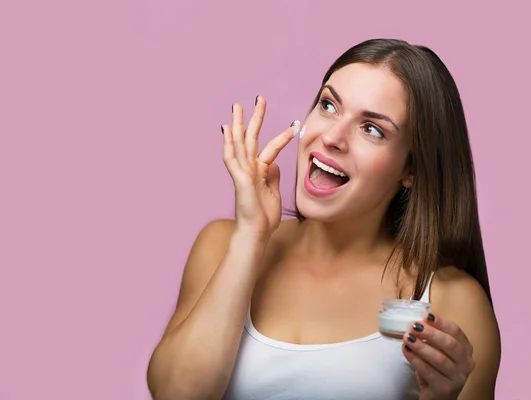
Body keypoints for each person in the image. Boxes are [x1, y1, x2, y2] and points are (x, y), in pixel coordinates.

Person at [146, 38, 501, 400]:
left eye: (372, 129)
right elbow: (175, 394)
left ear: (410, 168)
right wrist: (251, 236)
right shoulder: (222, 244)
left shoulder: (453, 301)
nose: (331, 136)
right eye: (328, 105)